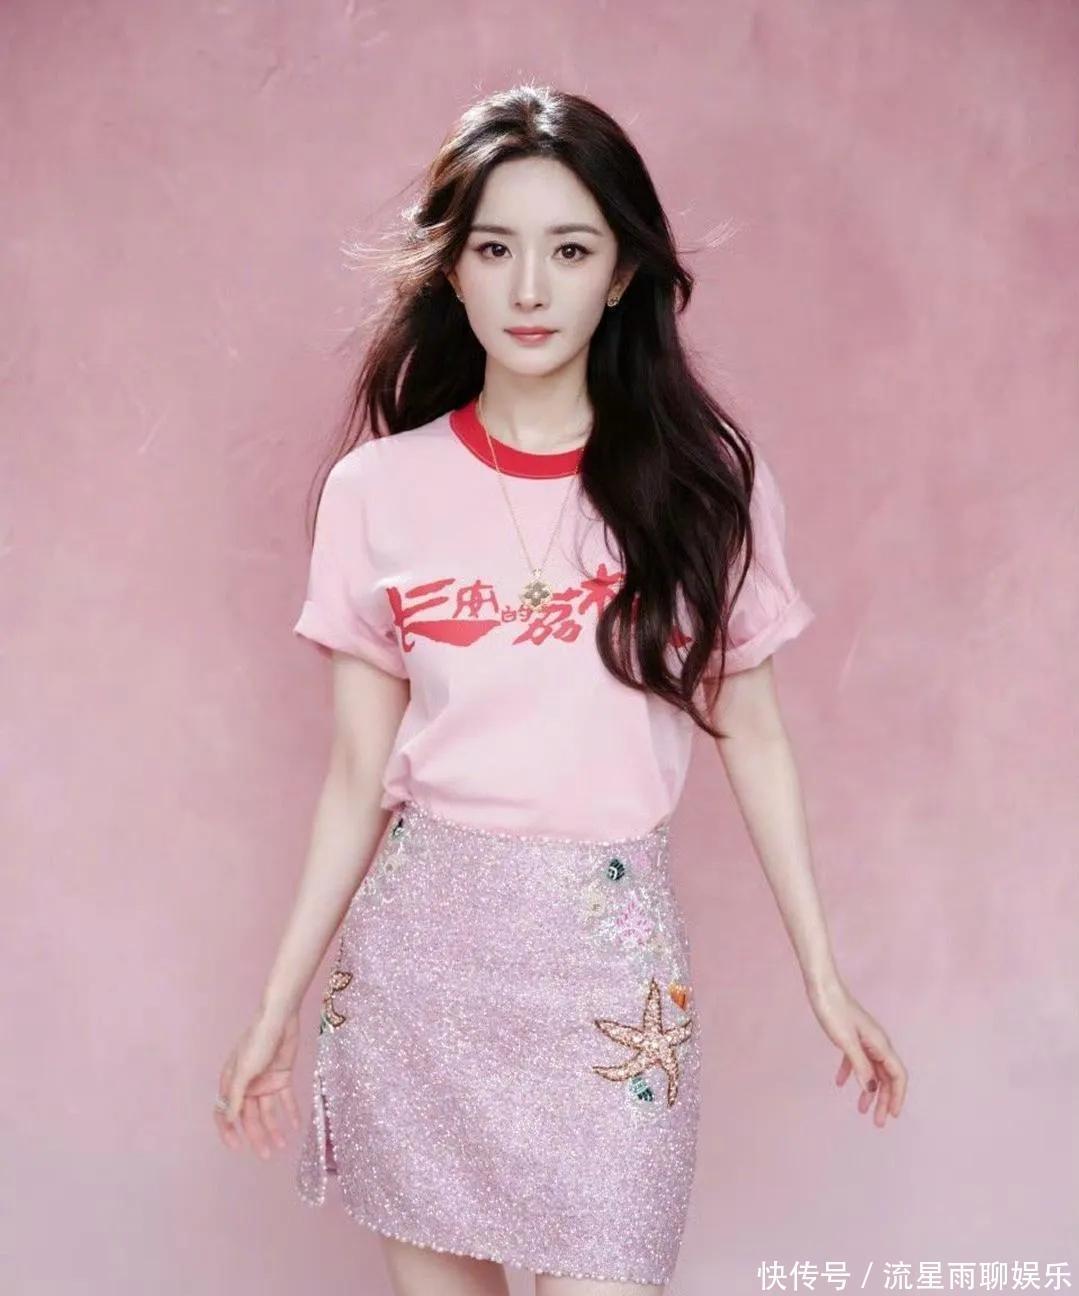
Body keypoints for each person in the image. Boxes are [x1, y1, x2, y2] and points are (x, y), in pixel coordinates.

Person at [212, 84, 908, 1296]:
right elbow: (355, 780)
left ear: (623, 274)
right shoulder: (376, 492)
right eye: (496, 249)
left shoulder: (705, 489)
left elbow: (755, 735)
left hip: (608, 981)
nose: (530, 288)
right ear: (454, 271)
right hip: (422, 983)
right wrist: (276, 1007)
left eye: (571, 250)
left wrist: (824, 975)